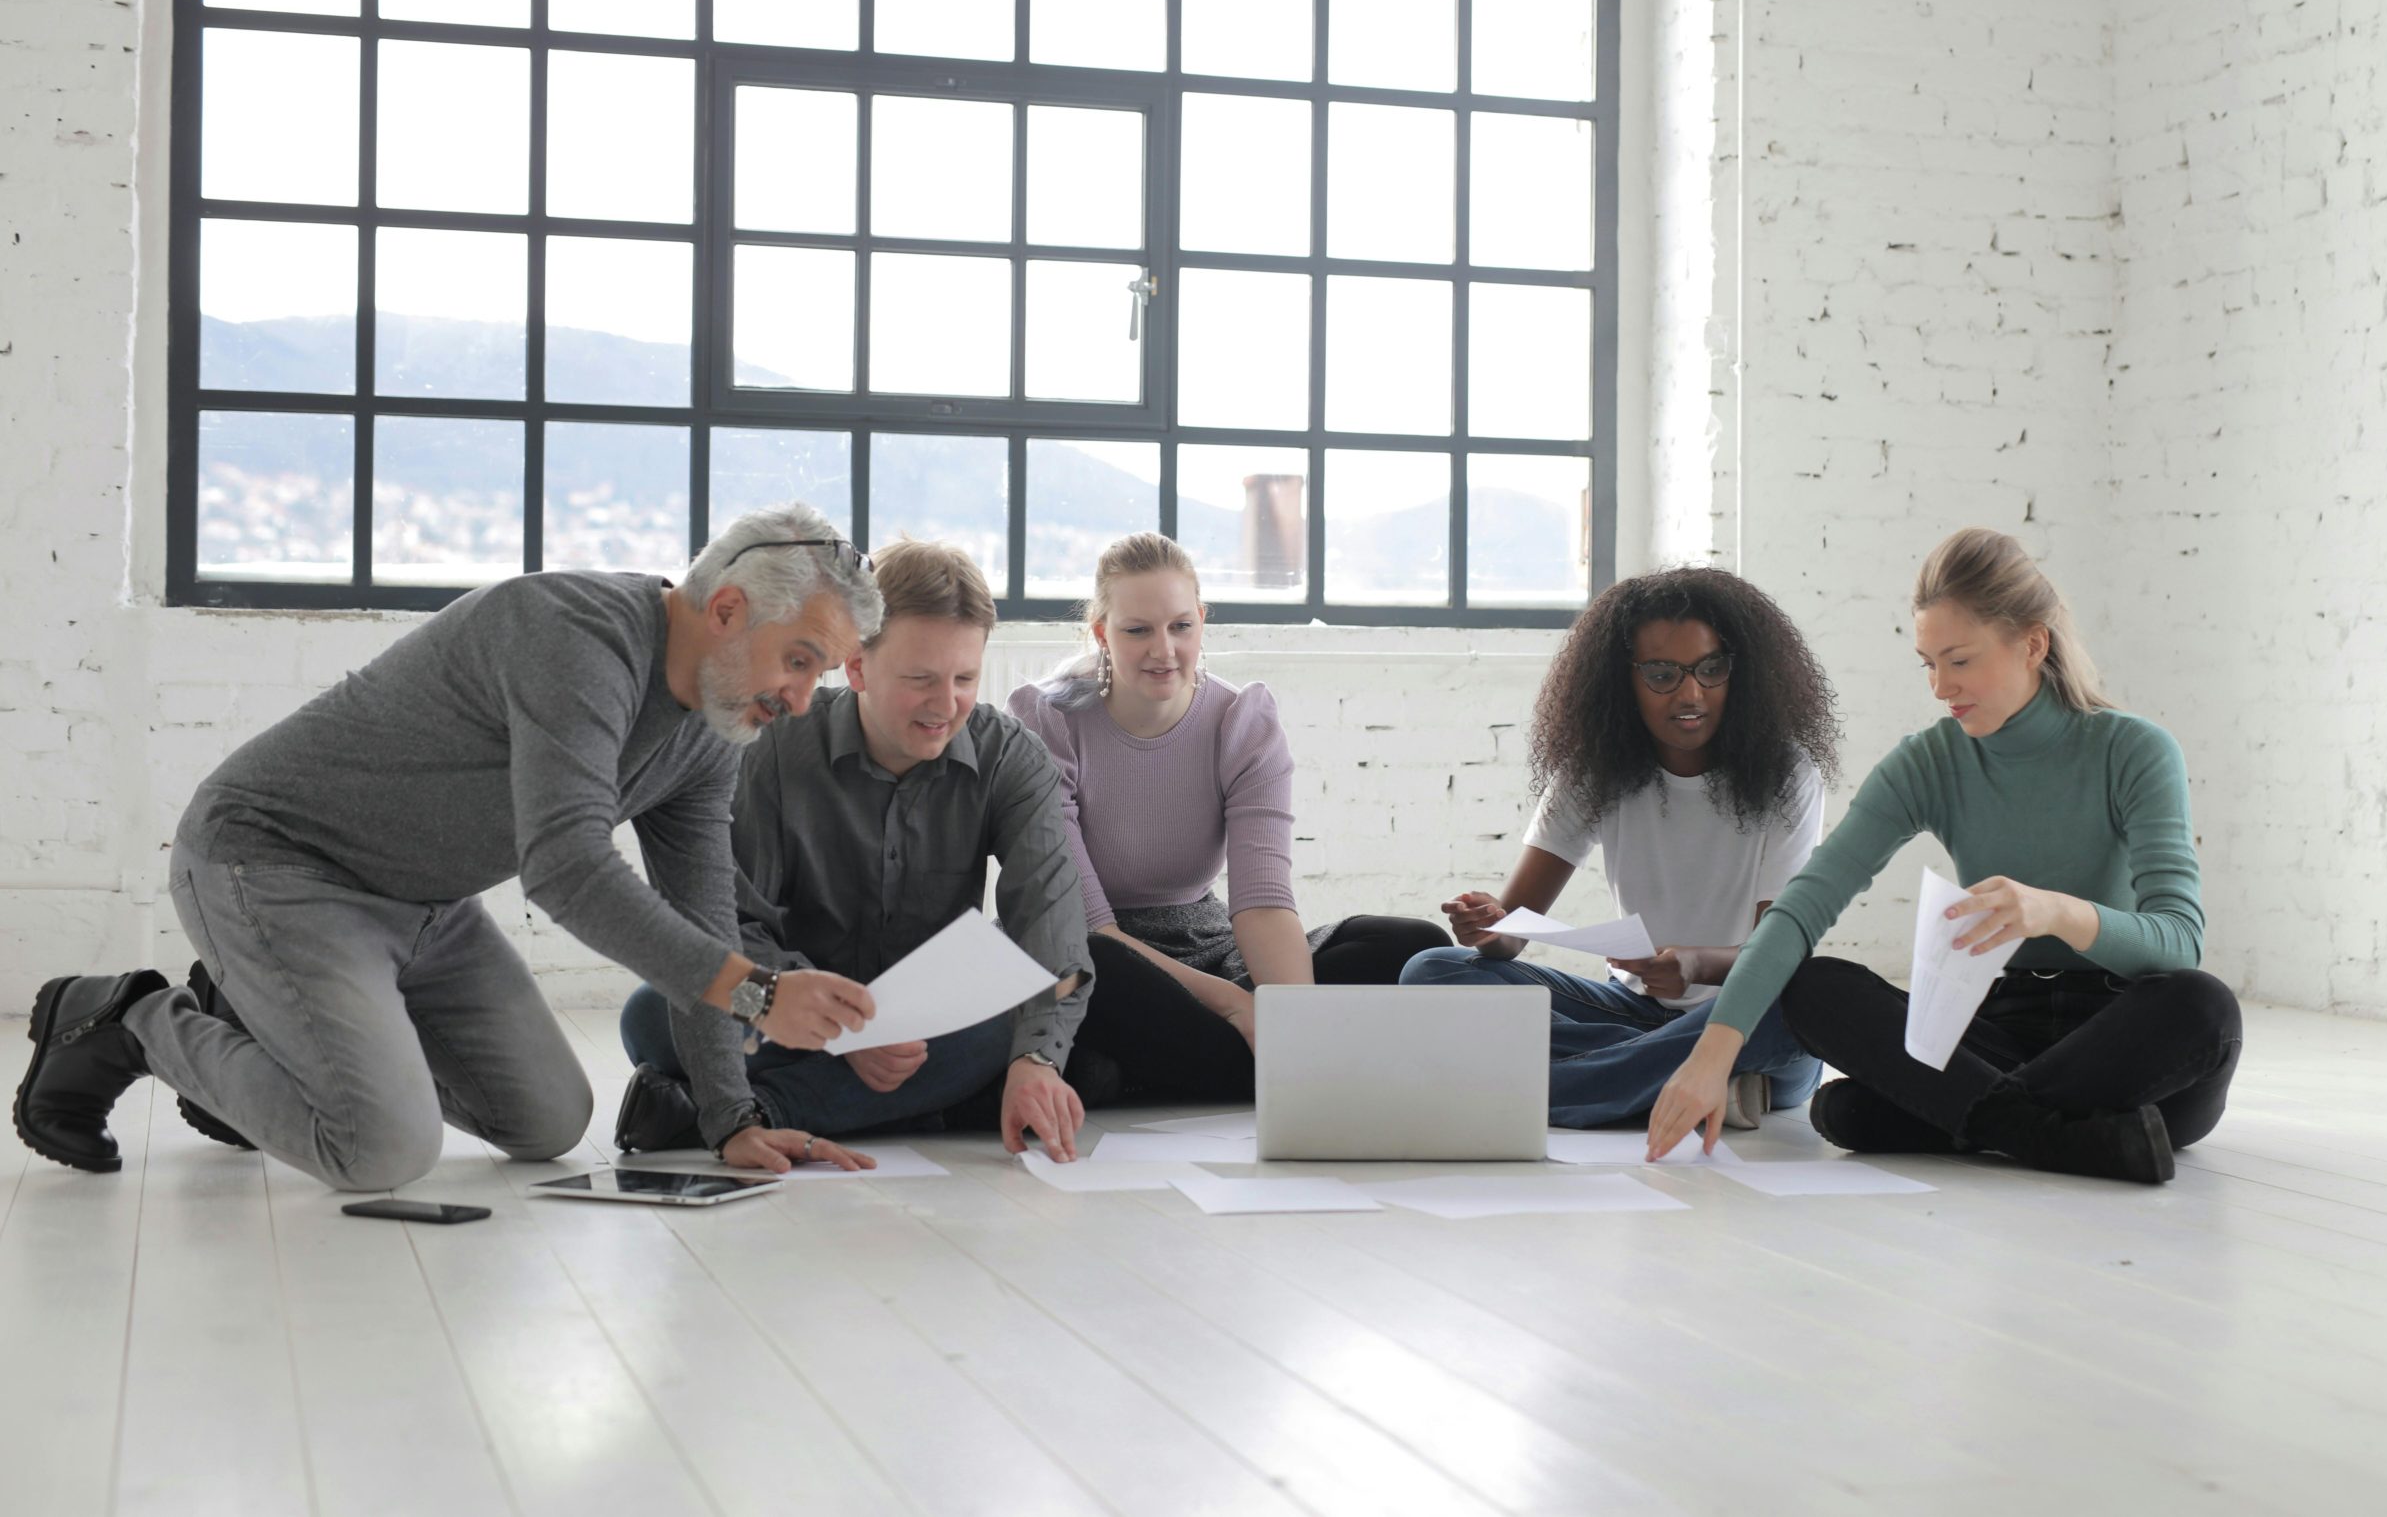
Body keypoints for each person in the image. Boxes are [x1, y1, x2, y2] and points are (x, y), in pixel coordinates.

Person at [11, 502, 884, 1189]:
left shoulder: (714, 726)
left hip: (423, 907)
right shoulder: (576, 635)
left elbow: (699, 915)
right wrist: (759, 994)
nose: (803, 700)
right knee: (379, 1148)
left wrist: (730, 1117)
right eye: (800, 661)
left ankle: (255, 1019)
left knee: (547, 1122)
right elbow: (566, 863)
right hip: (273, 865)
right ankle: (128, 1018)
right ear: (727, 608)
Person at [1643, 528, 2244, 1184]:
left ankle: (1967, 1118)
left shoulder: (2134, 751)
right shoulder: (1930, 761)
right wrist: (1712, 1053)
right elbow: (1803, 906)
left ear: (2033, 644)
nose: (1939, 686)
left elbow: (2179, 942)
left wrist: (2054, 912)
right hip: (1995, 1033)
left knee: (2204, 1007)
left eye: (1958, 660)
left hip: (2124, 1038)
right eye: (1927, 662)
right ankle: (2060, 1134)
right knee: (1812, 985)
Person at [616, 538, 1094, 1165]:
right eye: (920, 679)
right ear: (857, 666)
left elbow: (1052, 928)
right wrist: (843, 1030)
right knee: (651, 1014)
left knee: (1014, 1028)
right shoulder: (773, 749)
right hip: (792, 1012)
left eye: (965, 679)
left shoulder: (1012, 758)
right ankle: (915, 1103)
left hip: (929, 1025)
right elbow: (729, 923)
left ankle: (746, 1113)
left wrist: (1035, 1061)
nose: (945, 704)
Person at [1007, 532, 1449, 1103]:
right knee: (1090, 968)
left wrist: (1293, 1022)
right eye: (1137, 630)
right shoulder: (1048, 721)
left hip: (1206, 941)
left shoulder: (1242, 721)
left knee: (1412, 946)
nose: (1163, 650)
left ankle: (1200, 1069)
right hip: (1102, 955)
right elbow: (1091, 928)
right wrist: (1238, 1005)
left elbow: (1263, 904)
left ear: (1201, 622)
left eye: (1180, 626)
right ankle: (1250, 1065)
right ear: (1102, 633)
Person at [1404, 568, 1841, 1128]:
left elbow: (1775, 955)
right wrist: (1490, 927)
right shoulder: (1594, 772)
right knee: (1434, 970)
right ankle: (1687, 1079)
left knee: (1801, 1006)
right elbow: (1511, 935)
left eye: (1711, 669)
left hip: (1742, 1015)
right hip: (1631, 1011)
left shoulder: (1787, 775)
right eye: (1661, 674)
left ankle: (1538, 1091)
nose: (1691, 693)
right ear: (1621, 682)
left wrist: (1696, 965)